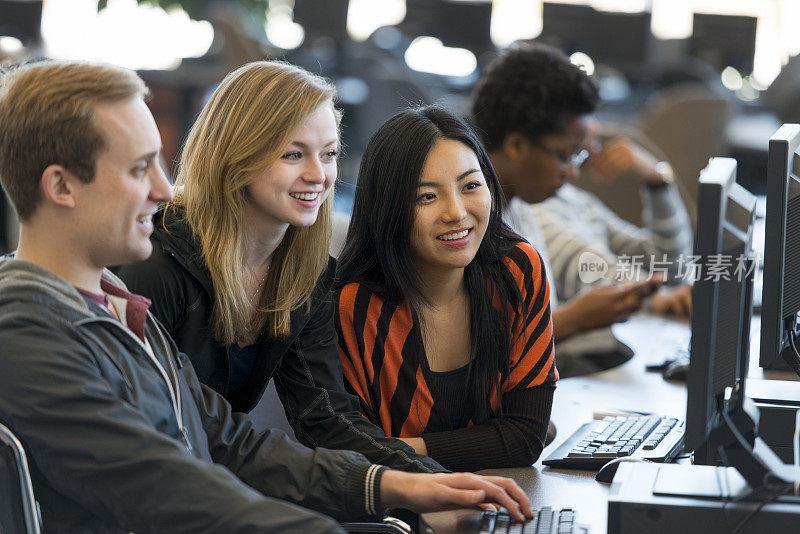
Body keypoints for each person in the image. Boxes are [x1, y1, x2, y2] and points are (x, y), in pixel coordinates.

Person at [0, 60, 534, 532]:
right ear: (62, 188)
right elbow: (163, 485)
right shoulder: (25, 329)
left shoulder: (116, 303)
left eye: (327, 154)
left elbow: (233, 442)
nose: (165, 190)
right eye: (141, 169)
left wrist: (403, 485)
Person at [116, 60, 441, 472]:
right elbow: (159, 429)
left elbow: (328, 422)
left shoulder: (306, 276)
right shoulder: (158, 265)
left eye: (328, 155)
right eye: (293, 154)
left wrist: (435, 483)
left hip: (214, 483)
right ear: (236, 156)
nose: (318, 175)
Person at [335, 106, 558, 472]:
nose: (456, 212)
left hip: (501, 499)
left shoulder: (516, 270)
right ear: (388, 208)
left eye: (470, 186)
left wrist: (401, 448)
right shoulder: (354, 306)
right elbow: (357, 457)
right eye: (426, 196)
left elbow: (526, 436)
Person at [470, 43, 693, 362]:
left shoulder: (518, 208)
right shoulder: (470, 224)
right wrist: (574, 320)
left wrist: (657, 180)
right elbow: (469, 355)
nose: (574, 172)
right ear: (517, 145)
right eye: (567, 155)